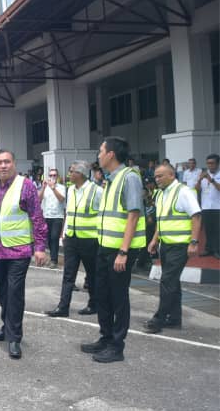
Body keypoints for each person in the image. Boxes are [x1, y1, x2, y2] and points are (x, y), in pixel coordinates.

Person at [0, 150, 48, 359]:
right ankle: (5, 328)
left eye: (7, 162)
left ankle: (14, 337)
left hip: (19, 251)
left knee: (15, 293)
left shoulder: (25, 186)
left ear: (14, 163)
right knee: (2, 292)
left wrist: (40, 247)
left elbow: (37, 218)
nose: (3, 166)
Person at [81, 136, 146, 364]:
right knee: (102, 295)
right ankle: (105, 337)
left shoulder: (130, 178)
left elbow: (133, 215)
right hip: (104, 246)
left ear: (111, 154)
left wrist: (124, 251)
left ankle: (117, 346)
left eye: (101, 151)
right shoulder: (110, 179)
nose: (98, 155)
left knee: (118, 298)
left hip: (119, 251)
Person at [145, 162, 202, 333]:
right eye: (155, 176)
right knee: (173, 282)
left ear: (172, 175)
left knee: (167, 281)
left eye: (160, 176)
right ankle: (175, 319)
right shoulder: (161, 194)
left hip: (180, 245)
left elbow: (196, 216)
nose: (157, 179)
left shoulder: (183, 192)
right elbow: (161, 221)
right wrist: (155, 239)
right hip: (166, 244)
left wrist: (193, 242)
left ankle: (159, 319)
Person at [44, 160, 102, 318]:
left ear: (81, 174)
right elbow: (68, 213)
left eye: (72, 171)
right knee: (68, 274)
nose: (69, 174)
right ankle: (63, 307)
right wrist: (65, 232)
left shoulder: (96, 191)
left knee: (92, 274)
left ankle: (94, 304)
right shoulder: (71, 190)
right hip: (72, 239)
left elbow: (103, 215)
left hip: (90, 240)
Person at [39, 168, 66, 268]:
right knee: (49, 239)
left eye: (54, 175)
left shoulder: (61, 187)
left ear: (57, 177)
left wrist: (53, 188)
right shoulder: (45, 188)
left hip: (57, 216)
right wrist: (43, 188)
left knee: (54, 237)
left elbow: (61, 199)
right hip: (46, 216)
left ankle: (54, 260)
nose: (52, 177)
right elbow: (38, 199)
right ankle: (52, 257)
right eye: (50, 175)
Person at [198, 154, 220, 257]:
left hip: (217, 207)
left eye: (212, 163)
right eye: (208, 163)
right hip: (206, 207)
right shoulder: (203, 175)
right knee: (207, 229)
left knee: (217, 229)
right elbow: (197, 189)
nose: (209, 165)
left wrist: (211, 180)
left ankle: (217, 250)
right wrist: (199, 180)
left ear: (217, 164)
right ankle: (208, 249)